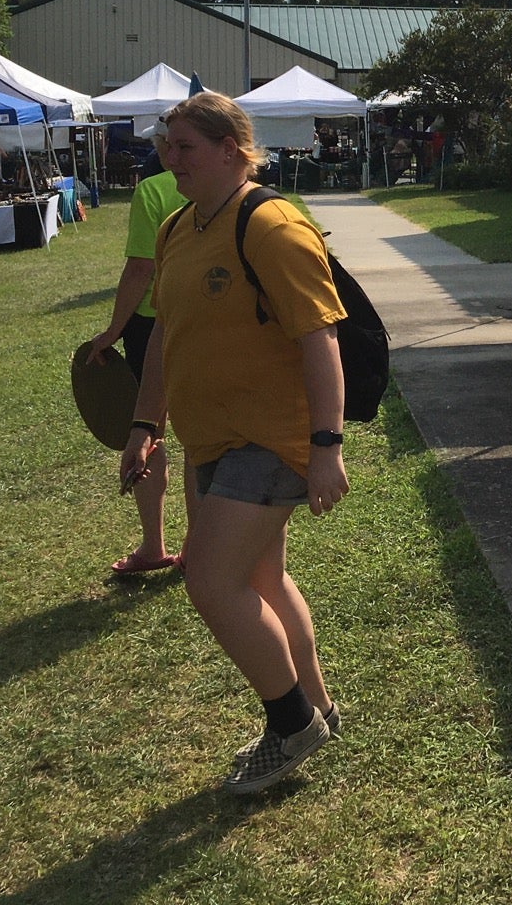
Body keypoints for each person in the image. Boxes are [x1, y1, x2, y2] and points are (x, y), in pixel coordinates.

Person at [122, 92, 348, 794]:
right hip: (209, 439)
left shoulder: (274, 226)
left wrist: (326, 446)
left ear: (232, 149)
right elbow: (164, 334)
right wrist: (143, 424)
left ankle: (291, 725)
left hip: (272, 440)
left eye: (186, 146)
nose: (171, 159)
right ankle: (320, 710)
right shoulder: (177, 227)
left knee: (210, 580)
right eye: (167, 146)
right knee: (259, 580)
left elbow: (321, 339)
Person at [87, 126, 188, 575]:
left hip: (155, 323)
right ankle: (202, 547)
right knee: (205, 437)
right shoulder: (242, 189)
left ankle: (154, 546)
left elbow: (140, 267)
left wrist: (113, 329)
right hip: (210, 321)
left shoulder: (152, 190)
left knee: (150, 430)